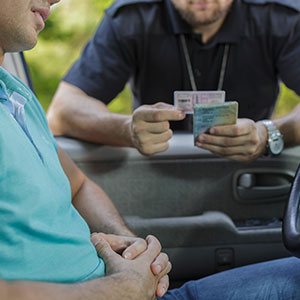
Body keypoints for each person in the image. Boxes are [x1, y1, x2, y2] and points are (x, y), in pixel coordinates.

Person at [1, 1, 300, 299]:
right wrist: (120, 289)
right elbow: (65, 109)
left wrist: (135, 251)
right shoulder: (131, 17)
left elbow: (77, 185)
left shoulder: (17, 95)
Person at [47, 0, 300, 162]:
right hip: (155, 176)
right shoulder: (131, 17)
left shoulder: (281, 18)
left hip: (250, 177)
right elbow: (63, 110)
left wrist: (268, 133)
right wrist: (127, 130)